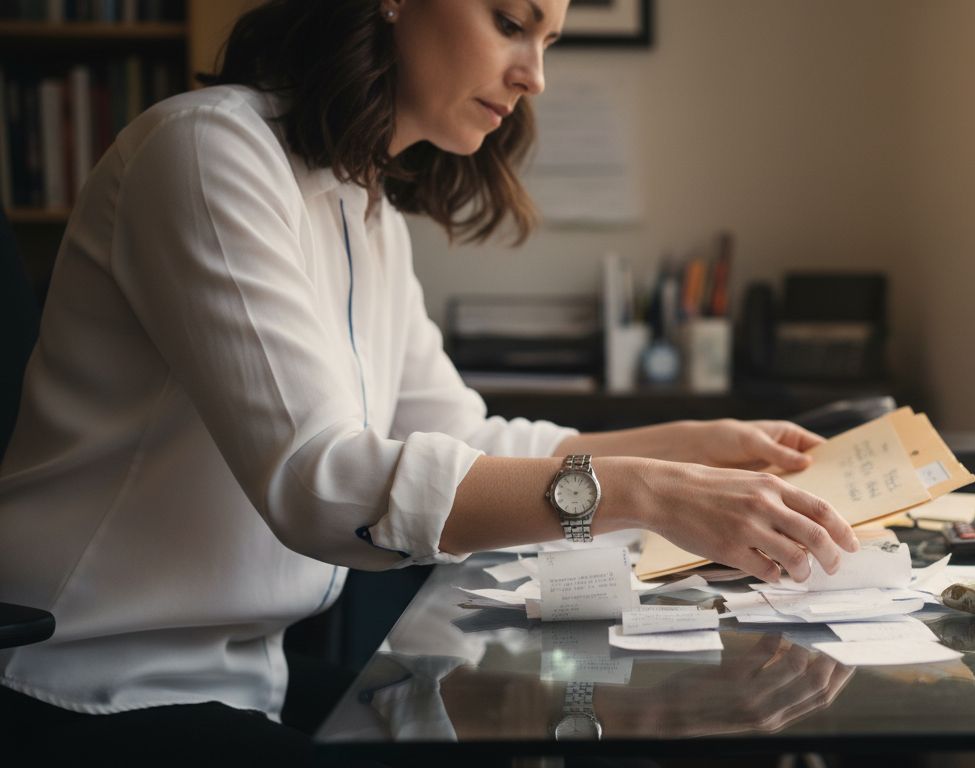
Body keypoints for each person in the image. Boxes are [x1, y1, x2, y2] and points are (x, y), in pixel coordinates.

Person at [0, 0, 860, 763]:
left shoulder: (364, 207)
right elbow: (323, 484)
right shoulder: (205, 151)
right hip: (82, 686)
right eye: (512, 24)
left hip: (242, 679)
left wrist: (698, 451)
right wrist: (649, 491)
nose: (535, 75)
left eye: (549, 40)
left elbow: (465, 441)